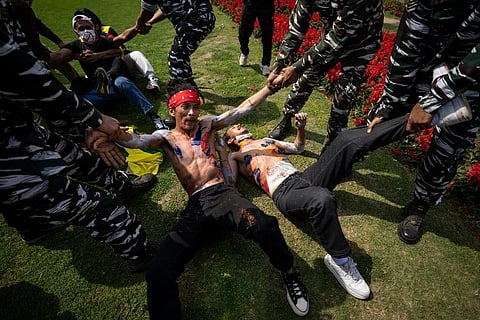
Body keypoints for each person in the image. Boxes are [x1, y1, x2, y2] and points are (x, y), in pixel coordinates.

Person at [108, 84, 309, 318]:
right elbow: (137, 141)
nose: (193, 112)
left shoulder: (208, 126)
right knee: (158, 272)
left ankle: (290, 272)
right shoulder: (165, 138)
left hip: (222, 195)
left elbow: (243, 109)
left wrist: (268, 88)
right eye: (186, 107)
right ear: (172, 110)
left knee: (264, 225)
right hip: (196, 205)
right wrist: (110, 131)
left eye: (196, 107)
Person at [0, 0, 158, 274]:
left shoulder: (15, 11)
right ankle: (139, 250)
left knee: (79, 158)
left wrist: (84, 128)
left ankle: (119, 187)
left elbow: (36, 73)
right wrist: (93, 120)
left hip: (19, 123)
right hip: (6, 146)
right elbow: (27, 79)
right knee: (101, 207)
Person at [219, 113, 372, 300]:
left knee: (342, 146)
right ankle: (339, 260)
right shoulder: (235, 156)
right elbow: (230, 182)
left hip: (303, 177)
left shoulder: (267, 140)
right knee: (322, 199)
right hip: (284, 191)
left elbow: (297, 148)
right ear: (231, 139)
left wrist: (301, 128)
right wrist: (222, 154)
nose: (240, 124)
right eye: (235, 127)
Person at [366, 1, 480, 244]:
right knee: (386, 117)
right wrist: (391, 101)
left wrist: (433, 101)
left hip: (471, 80)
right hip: (430, 61)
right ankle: (347, 157)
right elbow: (409, 42)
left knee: (447, 151)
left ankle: (419, 206)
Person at [266, 0, 384, 147]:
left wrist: (296, 68)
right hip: (331, 37)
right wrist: (280, 65)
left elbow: (338, 38)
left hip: (361, 44)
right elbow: (297, 27)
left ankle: (332, 142)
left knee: (344, 96)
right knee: (306, 79)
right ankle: (287, 117)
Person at [49, 14, 169, 131]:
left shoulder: (105, 41)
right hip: (98, 91)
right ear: (76, 31)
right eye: (81, 28)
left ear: (95, 27)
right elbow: (58, 57)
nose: (85, 31)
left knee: (122, 82)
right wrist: (42, 55)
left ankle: (153, 116)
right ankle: (100, 124)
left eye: (87, 27)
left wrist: (138, 26)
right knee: (79, 102)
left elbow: (123, 37)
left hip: (116, 83)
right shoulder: (75, 46)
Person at [132, 0, 216, 93]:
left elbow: (147, 10)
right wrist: (150, 22)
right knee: (178, 55)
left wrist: (139, 23)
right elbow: (166, 7)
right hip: (202, 17)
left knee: (177, 58)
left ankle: (184, 94)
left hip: (194, 20)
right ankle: (188, 88)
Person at [73, 7, 161, 92]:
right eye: (79, 24)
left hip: (120, 64)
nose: (82, 25)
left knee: (136, 54)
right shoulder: (80, 40)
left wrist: (98, 55)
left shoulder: (106, 30)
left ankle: (151, 79)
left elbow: (120, 50)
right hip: (101, 69)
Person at [12, 0, 79, 81]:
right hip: (19, 48)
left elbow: (36, 24)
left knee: (60, 62)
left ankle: (80, 84)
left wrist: (58, 41)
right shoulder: (18, 5)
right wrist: (43, 54)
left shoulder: (15, 6)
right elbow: (31, 32)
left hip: (22, 45)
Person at [237, 0, 275, 76]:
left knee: (267, 34)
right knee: (243, 32)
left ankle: (266, 64)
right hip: (249, 3)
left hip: (266, 5)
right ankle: (244, 52)